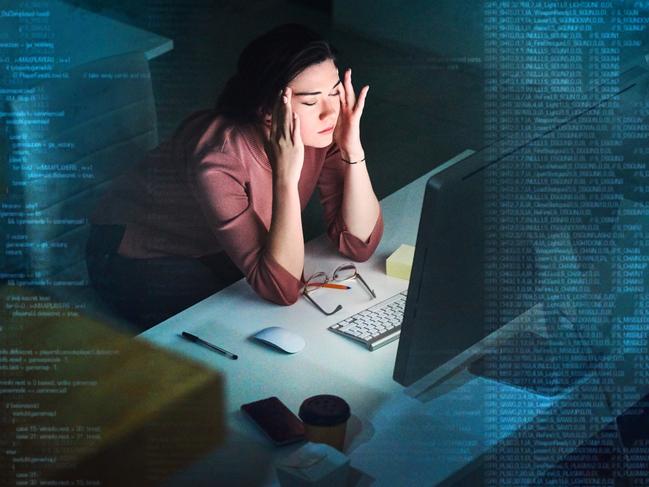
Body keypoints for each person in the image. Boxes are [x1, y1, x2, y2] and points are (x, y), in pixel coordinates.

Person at [86, 23, 383, 331]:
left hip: (213, 246)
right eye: (310, 102)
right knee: (235, 324)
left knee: (272, 303)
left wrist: (352, 148)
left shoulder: (322, 133)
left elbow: (359, 245)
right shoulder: (217, 156)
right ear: (268, 110)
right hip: (134, 255)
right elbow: (282, 289)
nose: (330, 112)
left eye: (335, 93)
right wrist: (285, 176)